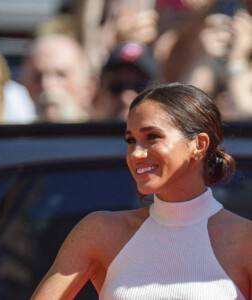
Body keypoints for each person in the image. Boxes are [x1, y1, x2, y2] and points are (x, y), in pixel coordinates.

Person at [31, 82, 252, 299]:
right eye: (131, 141)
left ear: (200, 145)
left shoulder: (245, 240)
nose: (136, 154)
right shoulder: (98, 232)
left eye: (152, 137)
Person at [21, 34, 97, 123]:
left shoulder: (105, 135)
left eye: (61, 75)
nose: (46, 85)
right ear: (27, 87)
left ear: (88, 89)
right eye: (37, 77)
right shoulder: (16, 136)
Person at [92, 40, 161, 121]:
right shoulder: (84, 132)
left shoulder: (171, 133)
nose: (125, 97)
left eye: (140, 86)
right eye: (116, 87)